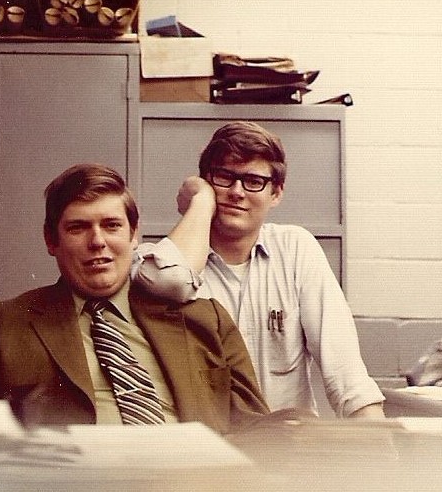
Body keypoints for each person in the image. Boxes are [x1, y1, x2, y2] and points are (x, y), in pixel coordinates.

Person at [0, 163, 270, 435]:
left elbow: (258, 434)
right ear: (51, 240)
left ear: (134, 235)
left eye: (112, 225)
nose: (98, 242)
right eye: (78, 228)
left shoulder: (207, 320)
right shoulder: (2, 323)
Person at [132, 121, 385, 418]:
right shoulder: (160, 261)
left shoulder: (295, 249)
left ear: (276, 194)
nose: (237, 192)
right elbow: (171, 280)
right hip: (210, 449)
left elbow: (347, 377)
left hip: (287, 449)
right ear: (206, 182)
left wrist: (381, 448)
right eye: (224, 177)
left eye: (254, 181)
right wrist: (200, 202)